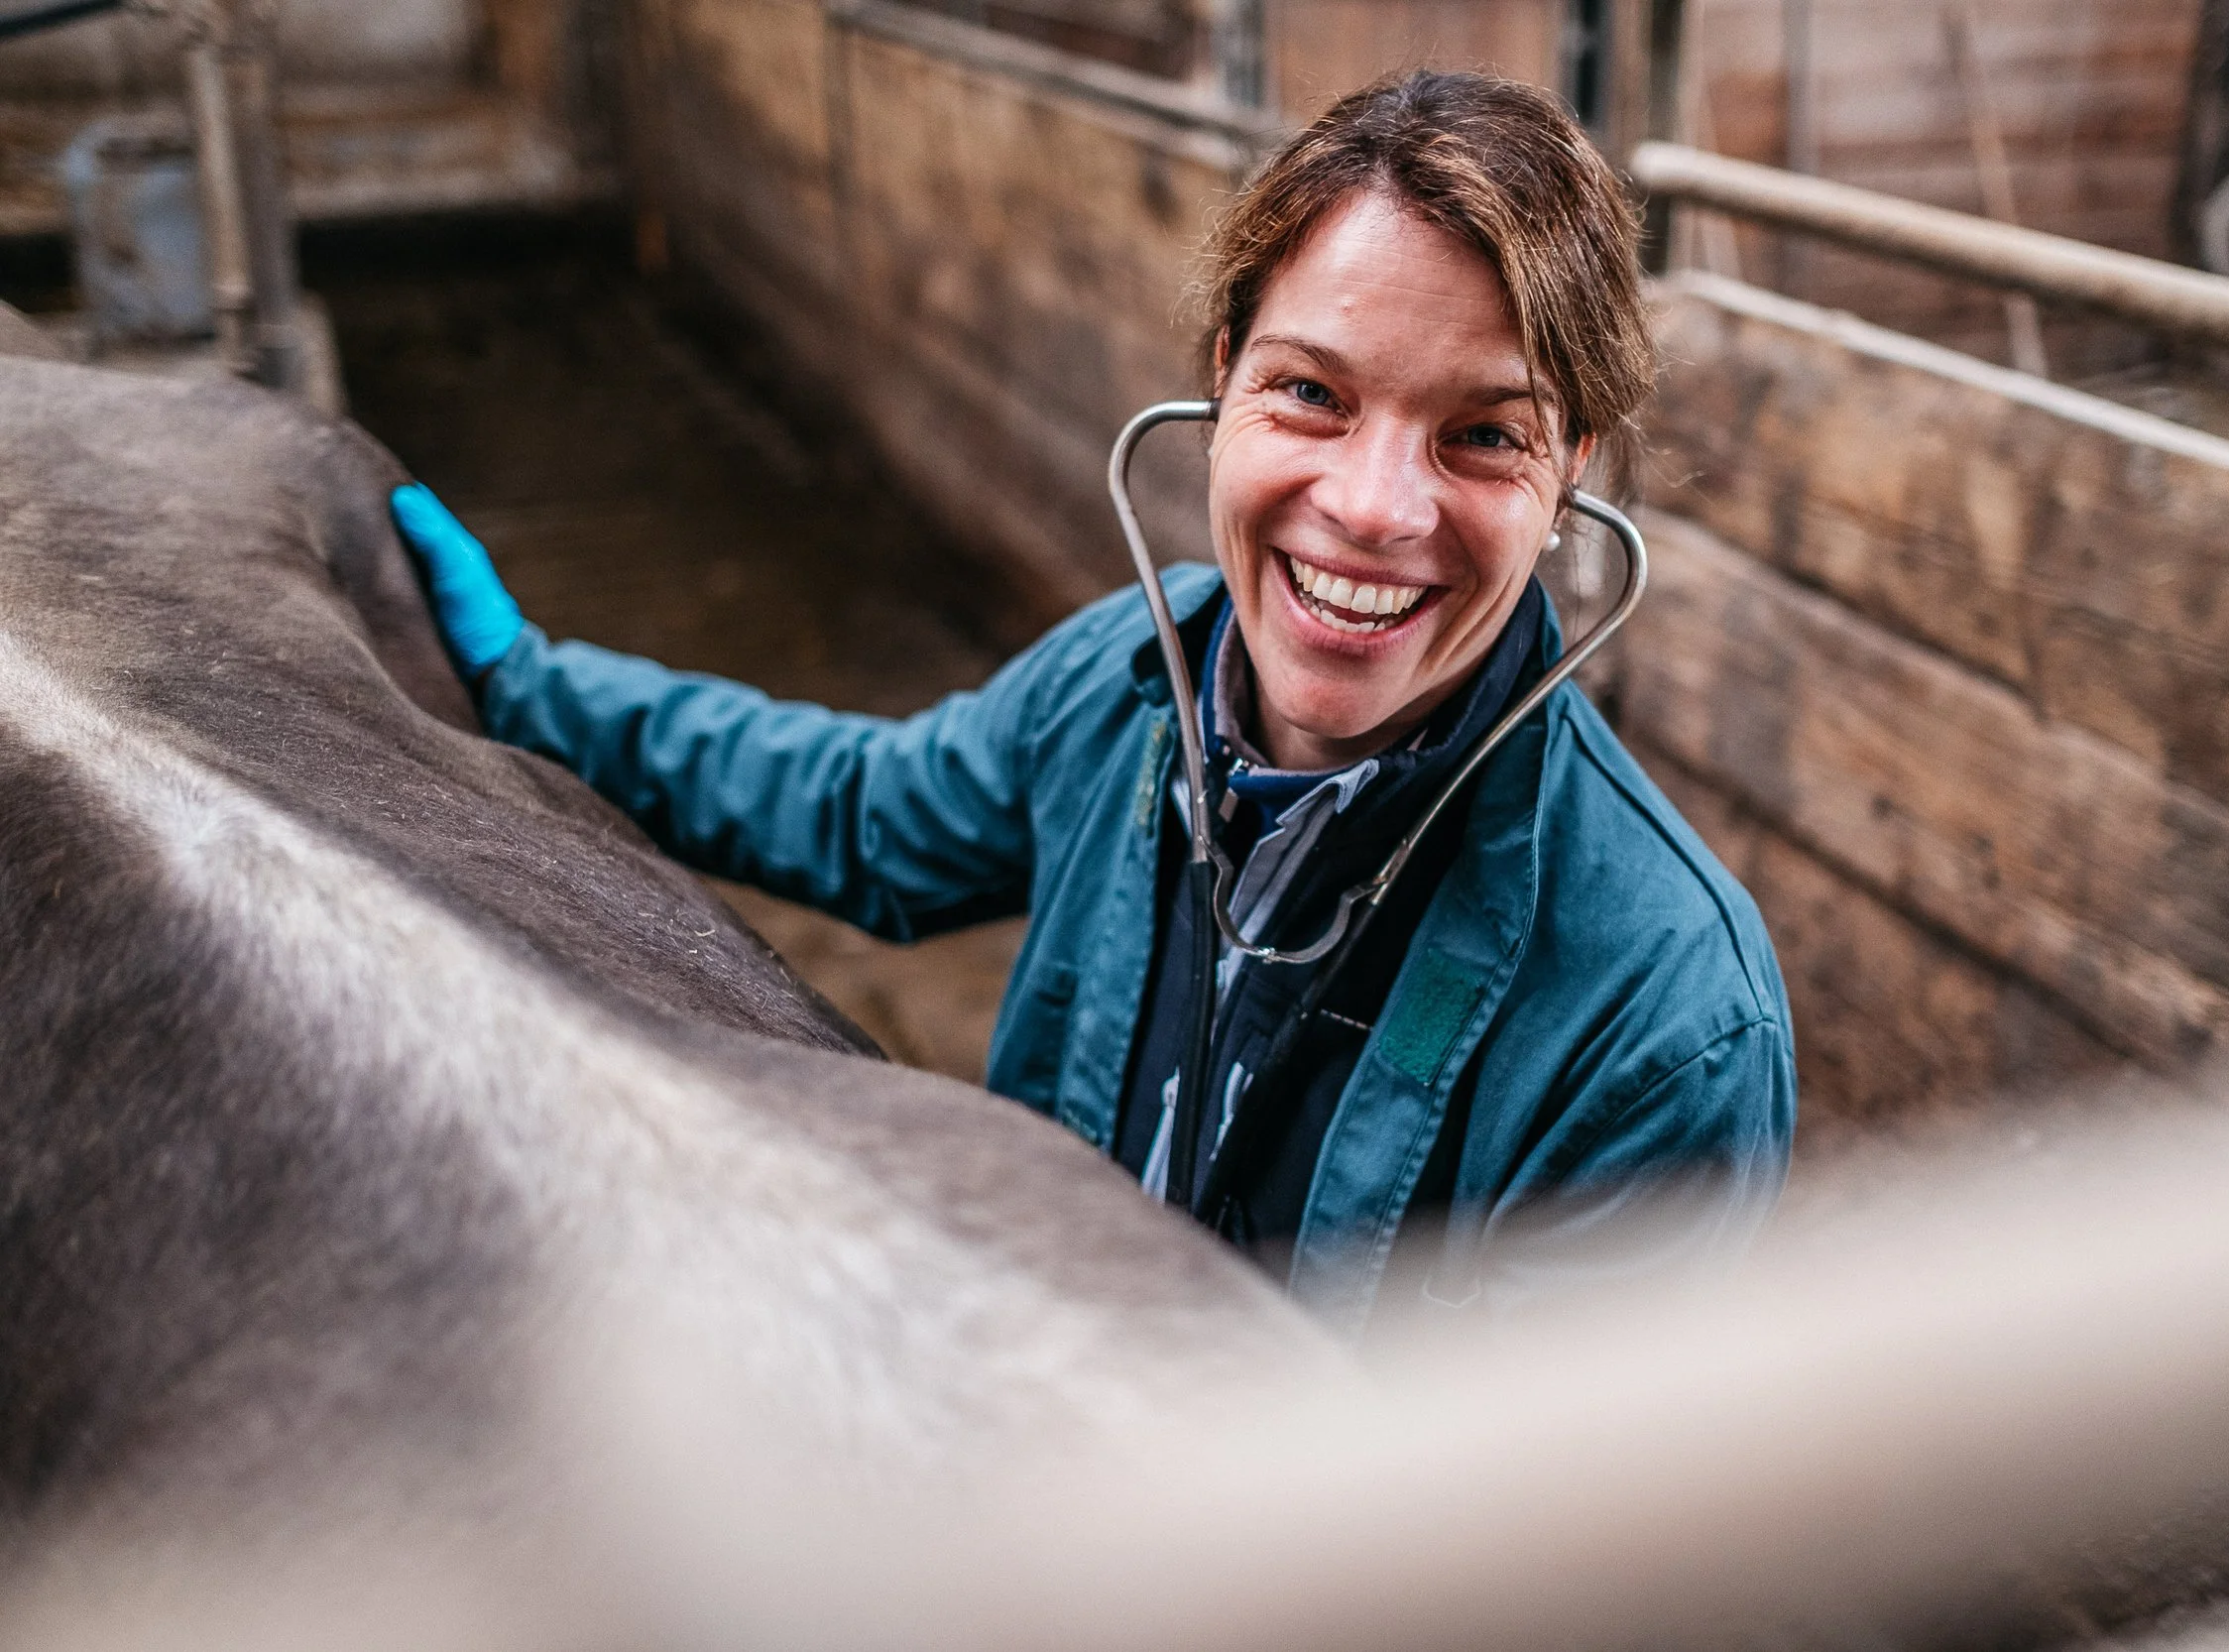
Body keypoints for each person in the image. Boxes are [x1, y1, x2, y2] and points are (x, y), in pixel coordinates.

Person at [392, 69, 1795, 1336]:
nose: (1373, 508)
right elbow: (864, 813)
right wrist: (534, 687)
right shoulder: (1121, 686)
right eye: (1310, 393)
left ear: (1572, 473)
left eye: (1484, 433)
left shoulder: (1664, 1024)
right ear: (1223, 383)